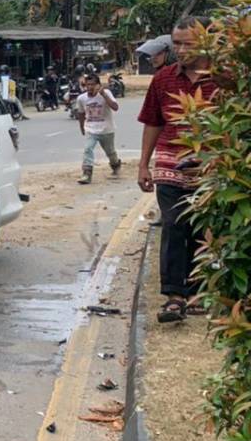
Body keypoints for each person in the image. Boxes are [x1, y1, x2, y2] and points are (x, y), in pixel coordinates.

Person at [137, 16, 219, 323]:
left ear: (208, 41)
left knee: (204, 229)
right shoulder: (164, 79)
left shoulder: (225, 78)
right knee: (173, 225)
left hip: (213, 168)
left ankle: (199, 291)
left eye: (189, 43)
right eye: (177, 43)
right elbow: (153, 122)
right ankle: (173, 295)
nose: (181, 50)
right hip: (170, 165)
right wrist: (144, 164)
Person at [75, 73, 121, 184]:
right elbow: (81, 113)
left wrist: (104, 94)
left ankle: (115, 164)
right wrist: (81, 126)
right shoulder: (82, 98)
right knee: (88, 149)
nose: (90, 87)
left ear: (98, 85)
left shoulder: (106, 93)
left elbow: (115, 107)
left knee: (110, 152)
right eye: (87, 85)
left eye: (92, 84)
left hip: (106, 130)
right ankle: (87, 174)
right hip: (91, 129)